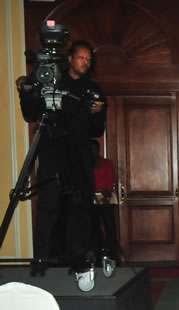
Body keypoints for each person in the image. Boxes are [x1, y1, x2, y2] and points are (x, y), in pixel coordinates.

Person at [16, 39, 106, 274]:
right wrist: (27, 91)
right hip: (52, 154)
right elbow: (30, 113)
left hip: (79, 156)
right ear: (70, 58)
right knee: (48, 206)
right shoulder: (52, 82)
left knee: (80, 208)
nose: (85, 62)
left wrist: (96, 112)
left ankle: (80, 262)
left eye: (88, 59)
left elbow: (97, 129)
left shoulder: (93, 89)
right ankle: (41, 261)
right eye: (81, 58)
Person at [90, 139, 118, 262]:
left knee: (109, 227)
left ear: (98, 149)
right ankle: (97, 254)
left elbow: (110, 179)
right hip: (91, 200)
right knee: (94, 228)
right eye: (90, 149)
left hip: (105, 199)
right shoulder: (86, 164)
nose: (92, 151)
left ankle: (113, 255)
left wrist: (106, 193)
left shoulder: (107, 163)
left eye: (94, 148)